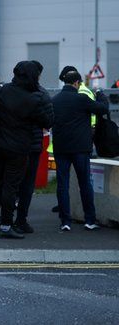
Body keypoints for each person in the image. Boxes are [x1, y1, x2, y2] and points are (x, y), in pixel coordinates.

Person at [0, 60, 54, 239]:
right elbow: (48, 122)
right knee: (10, 187)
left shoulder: (1, 90)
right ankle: (6, 226)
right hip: (19, 147)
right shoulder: (34, 98)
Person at [52, 69, 109, 231]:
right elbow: (102, 109)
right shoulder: (82, 99)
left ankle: (65, 221)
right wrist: (100, 94)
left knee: (62, 185)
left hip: (61, 148)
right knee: (85, 183)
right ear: (77, 83)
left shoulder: (55, 100)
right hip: (80, 148)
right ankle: (89, 220)